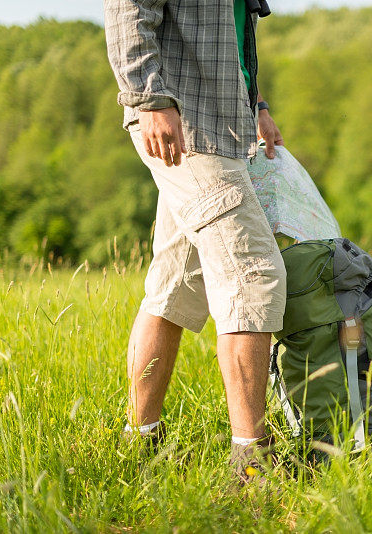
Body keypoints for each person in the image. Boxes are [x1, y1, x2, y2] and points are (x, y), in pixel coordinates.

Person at [104, 0, 286, 484]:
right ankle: (250, 466)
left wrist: (258, 106)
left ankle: (140, 444)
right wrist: (149, 100)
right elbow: (128, 10)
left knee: (175, 286)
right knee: (254, 277)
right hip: (181, 123)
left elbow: (232, 33)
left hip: (222, 125)